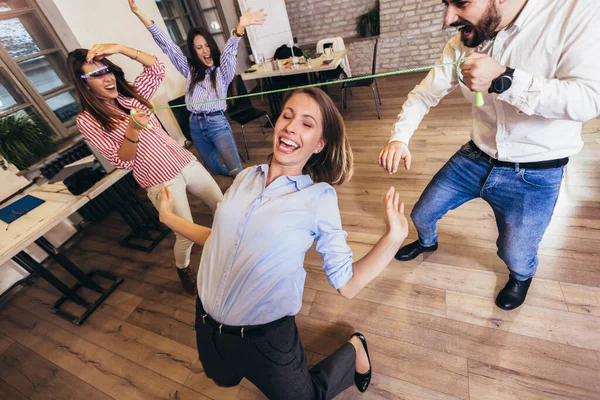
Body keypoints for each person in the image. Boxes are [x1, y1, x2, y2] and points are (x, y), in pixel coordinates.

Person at [157, 87, 409, 399]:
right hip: (206, 324)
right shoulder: (245, 178)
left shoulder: (317, 197)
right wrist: (168, 218)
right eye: (287, 116)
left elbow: (348, 284)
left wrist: (393, 238)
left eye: (307, 123)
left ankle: (354, 348)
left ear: (320, 144)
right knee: (221, 377)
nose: (290, 126)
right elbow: (219, 240)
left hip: (266, 339)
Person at [379, 0, 600, 310]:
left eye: (460, 3)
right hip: (474, 157)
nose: (448, 18)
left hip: (536, 173)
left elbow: (589, 100)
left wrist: (505, 79)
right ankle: (427, 242)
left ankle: (521, 276)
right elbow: (423, 95)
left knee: (516, 254)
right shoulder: (464, 40)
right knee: (421, 214)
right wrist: (399, 138)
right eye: (446, 4)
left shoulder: (577, 11)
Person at [68, 44, 223, 295]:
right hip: (160, 182)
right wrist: (132, 129)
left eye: (107, 70)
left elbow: (157, 67)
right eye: (96, 75)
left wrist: (119, 48)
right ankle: (183, 268)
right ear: (84, 84)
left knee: (222, 206)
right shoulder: (87, 120)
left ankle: (230, 250)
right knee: (185, 235)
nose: (107, 77)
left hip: (185, 162)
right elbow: (123, 162)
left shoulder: (129, 95)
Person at [128, 0, 267, 178]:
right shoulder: (190, 70)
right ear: (194, 51)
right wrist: (138, 13)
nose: (205, 50)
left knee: (236, 171)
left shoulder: (222, 71)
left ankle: (245, 189)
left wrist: (239, 30)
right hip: (195, 124)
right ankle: (244, 181)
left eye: (207, 45)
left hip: (217, 124)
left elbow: (229, 53)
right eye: (199, 47)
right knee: (215, 169)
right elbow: (168, 46)